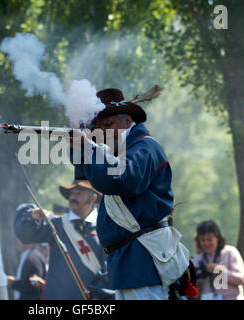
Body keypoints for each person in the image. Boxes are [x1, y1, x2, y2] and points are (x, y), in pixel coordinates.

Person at [69, 88, 190, 300]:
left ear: (127, 121)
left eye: (108, 125)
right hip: (128, 262)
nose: (103, 132)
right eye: (99, 128)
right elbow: (85, 174)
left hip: (144, 259)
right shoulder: (117, 153)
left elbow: (118, 179)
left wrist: (89, 148)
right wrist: (81, 143)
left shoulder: (145, 148)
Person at [14, 180, 113, 300]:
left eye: (78, 193)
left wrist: (99, 294)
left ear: (93, 198)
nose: (73, 197)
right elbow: (26, 235)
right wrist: (32, 216)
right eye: (71, 193)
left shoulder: (104, 227)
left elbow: (110, 268)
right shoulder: (57, 224)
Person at [192, 220, 244, 300]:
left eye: (209, 239)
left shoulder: (229, 252)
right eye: (203, 240)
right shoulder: (197, 260)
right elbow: (195, 293)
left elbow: (243, 280)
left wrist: (222, 271)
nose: (206, 243)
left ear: (217, 238)